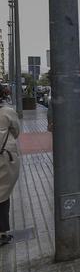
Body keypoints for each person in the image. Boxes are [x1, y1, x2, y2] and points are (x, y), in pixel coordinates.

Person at [0, 104, 21, 245]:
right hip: (4, 157)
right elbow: (16, 130)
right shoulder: (6, 112)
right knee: (2, 193)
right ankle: (1, 233)